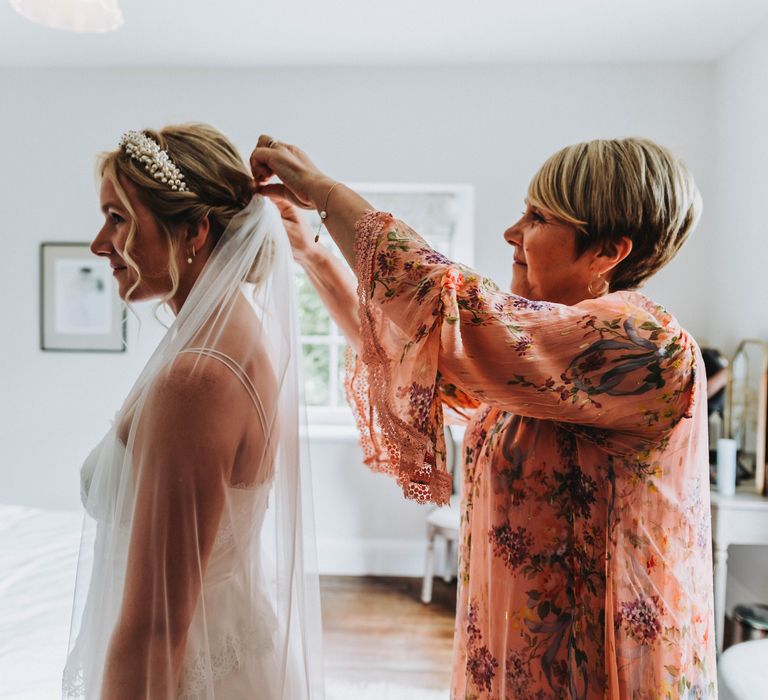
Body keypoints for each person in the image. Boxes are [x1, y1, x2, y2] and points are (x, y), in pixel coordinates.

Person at [252, 136, 717, 698]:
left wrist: (324, 193)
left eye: (538, 217)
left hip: (597, 663)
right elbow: (418, 354)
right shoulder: (540, 361)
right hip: (518, 650)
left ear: (607, 252)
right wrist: (312, 253)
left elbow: (449, 308)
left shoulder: (647, 344)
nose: (512, 233)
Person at [63, 124, 324, 699]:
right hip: (233, 643)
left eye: (117, 219)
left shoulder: (197, 378)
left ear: (194, 230)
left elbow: (156, 627)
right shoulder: (238, 332)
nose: (99, 245)